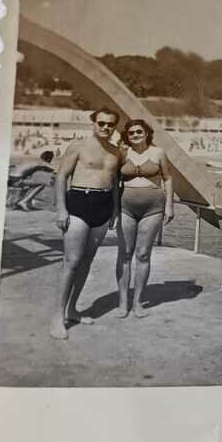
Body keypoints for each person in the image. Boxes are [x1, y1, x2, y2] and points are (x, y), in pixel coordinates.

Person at [49, 109, 121, 340]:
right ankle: (57, 317)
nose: (105, 127)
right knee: (72, 261)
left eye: (110, 124)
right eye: (101, 123)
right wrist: (61, 209)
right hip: (79, 201)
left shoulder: (116, 152)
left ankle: (72, 309)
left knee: (87, 261)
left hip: (103, 205)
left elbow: (115, 183)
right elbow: (61, 177)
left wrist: (116, 211)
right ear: (94, 123)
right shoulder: (78, 146)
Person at [117, 119, 174, 318]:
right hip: (125, 208)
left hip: (153, 207)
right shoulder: (122, 153)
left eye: (139, 131)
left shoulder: (158, 153)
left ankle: (137, 302)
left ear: (147, 133)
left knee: (142, 254)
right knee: (124, 253)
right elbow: (113, 179)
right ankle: (123, 301)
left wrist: (169, 205)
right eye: (131, 132)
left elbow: (167, 178)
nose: (135, 135)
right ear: (127, 135)